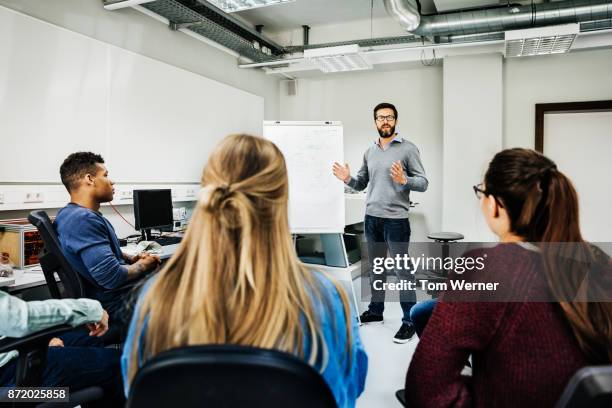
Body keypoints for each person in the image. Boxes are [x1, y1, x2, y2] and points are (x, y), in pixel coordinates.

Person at [121, 134, 367, 407]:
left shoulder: (157, 298)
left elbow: (135, 387)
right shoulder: (324, 299)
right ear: (281, 202)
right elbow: (346, 392)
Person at [405, 148, 612, 407]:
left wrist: (484, 391)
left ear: (495, 204)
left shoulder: (485, 267)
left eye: (481, 191)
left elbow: (426, 394)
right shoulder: (599, 260)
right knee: (423, 310)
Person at [333, 102, 428, 343]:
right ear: (375, 121)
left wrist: (405, 179)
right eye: (380, 117)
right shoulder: (370, 151)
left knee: (402, 272)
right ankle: (376, 312)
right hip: (371, 219)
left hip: (396, 221)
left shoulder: (408, 149)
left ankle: (409, 320)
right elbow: (361, 183)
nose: (384, 121)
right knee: (375, 269)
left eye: (389, 117)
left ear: (395, 120)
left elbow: (423, 183)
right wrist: (347, 179)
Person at [55, 152, 160, 329]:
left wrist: (129, 258)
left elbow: (97, 255)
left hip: (113, 295)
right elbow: (111, 278)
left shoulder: (69, 214)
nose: (111, 181)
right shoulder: (83, 220)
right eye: (105, 175)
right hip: (115, 301)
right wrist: (145, 265)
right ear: (89, 179)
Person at [0, 290, 124, 406]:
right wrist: (90, 309)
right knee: (119, 363)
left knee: (90, 341)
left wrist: (38, 338)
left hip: (8, 353)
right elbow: (21, 318)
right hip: (13, 391)